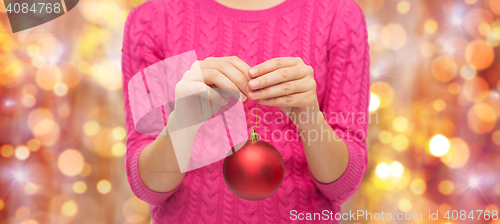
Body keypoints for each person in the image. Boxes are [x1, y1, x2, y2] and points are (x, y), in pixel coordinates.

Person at [121, 0, 369, 222]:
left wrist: (310, 120)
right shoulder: (150, 20)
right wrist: (183, 122)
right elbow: (148, 188)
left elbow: (343, 186)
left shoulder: (339, 15)